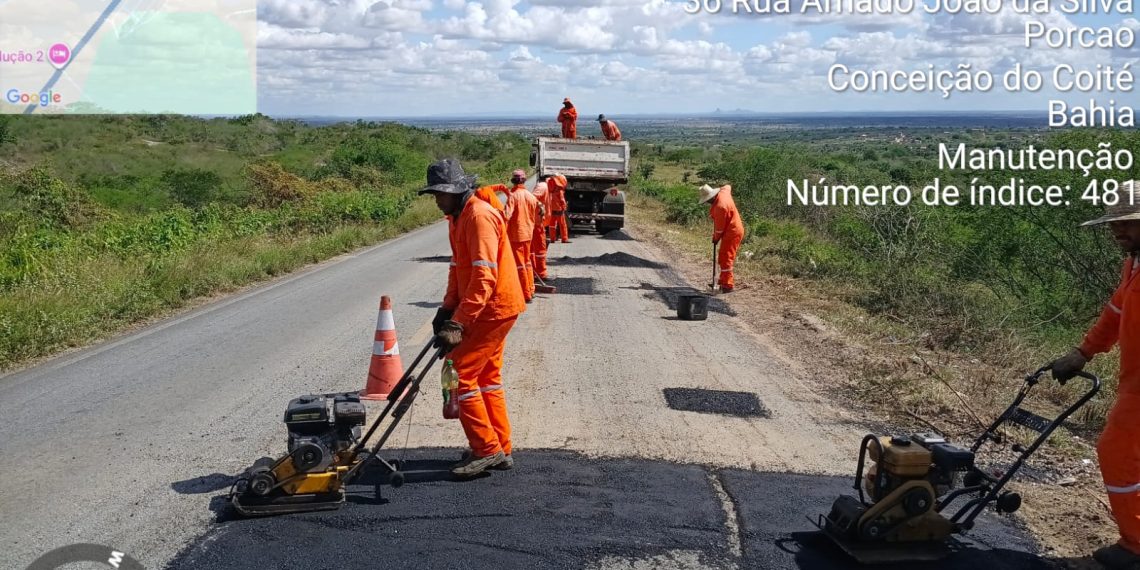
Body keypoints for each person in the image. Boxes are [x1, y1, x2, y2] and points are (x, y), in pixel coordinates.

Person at [1052, 180, 1140, 569]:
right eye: (1114, 224)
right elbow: (1117, 311)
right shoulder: (1133, 264)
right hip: (1133, 379)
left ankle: (1135, 546)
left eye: (1128, 223)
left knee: (1116, 452)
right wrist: (1083, 352)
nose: (1118, 231)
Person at [421, 158, 526, 477]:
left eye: (440, 193)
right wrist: (446, 309)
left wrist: (460, 322)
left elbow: (484, 278)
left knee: (461, 373)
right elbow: (458, 269)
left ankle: (486, 450)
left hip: (492, 309)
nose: (436, 199)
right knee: (487, 378)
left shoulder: (479, 217)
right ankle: (500, 446)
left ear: (456, 191)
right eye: (434, 194)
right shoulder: (457, 217)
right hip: (488, 308)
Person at [698, 183, 744, 293]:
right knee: (723, 256)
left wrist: (715, 238)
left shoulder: (720, 207)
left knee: (725, 257)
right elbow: (728, 186)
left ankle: (728, 285)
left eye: (708, 200)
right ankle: (722, 281)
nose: (708, 203)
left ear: (712, 197)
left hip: (732, 232)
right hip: (733, 229)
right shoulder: (724, 192)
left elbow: (719, 229)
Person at [505, 169, 539, 302]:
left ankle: (526, 294)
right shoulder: (531, 196)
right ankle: (531, 289)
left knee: (519, 265)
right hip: (528, 234)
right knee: (527, 263)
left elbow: (506, 216)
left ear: (513, 181)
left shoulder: (513, 196)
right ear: (524, 180)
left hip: (516, 236)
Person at [531, 179, 550, 280]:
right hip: (536, 223)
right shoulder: (543, 186)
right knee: (540, 250)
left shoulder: (546, 187)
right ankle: (540, 273)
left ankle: (535, 273)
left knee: (535, 250)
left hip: (538, 223)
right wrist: (540, 205)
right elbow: (532, 198)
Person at [546, 173, 570, 244]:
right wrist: (564, 207)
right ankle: (564, 238)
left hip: (552, 208)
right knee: (562, 224)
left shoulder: (550, 187)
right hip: (559, 209)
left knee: (552, 224)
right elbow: (562, 200)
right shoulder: (559, 190)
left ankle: (552, 239)